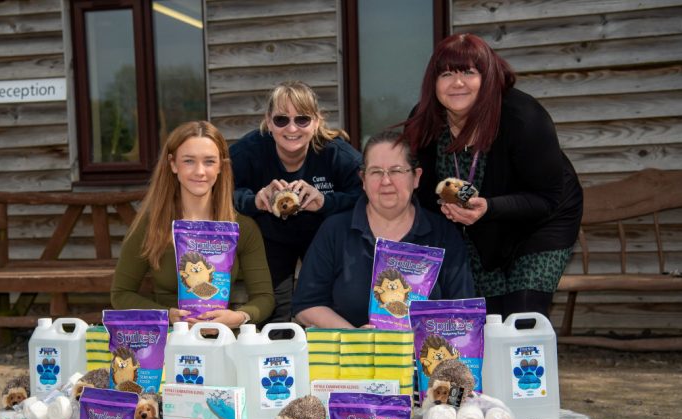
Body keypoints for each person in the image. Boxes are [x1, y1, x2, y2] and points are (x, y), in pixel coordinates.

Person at [404, 33, 583, 319]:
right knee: (488, 319)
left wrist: (489, 208)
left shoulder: (524, 117)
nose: (457, 82)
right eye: (446, 73)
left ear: (487, 77)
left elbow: (547, 198)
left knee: (523, 317)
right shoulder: (424, 120)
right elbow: (423, 191)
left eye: (468, 72)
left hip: (542, 220)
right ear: (433, 83)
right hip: (478, 227)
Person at [291, 131, 474, 329]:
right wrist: (355, 337)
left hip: (426, 356)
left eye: (396, 171)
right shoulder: (335, 231)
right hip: (352, 357)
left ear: (416, 177)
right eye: (376, 172)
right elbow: (306, 304)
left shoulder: (443, 234)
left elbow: (461, 308)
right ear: (363, 179)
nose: (386, 181)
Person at [111, 121, 275, 328]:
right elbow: (121, 294)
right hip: (168, 341)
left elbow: (264, 298)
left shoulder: (242, 228)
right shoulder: (151, 225)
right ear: (173, 164)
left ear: (221, 167)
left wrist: (239, 317)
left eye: (209, 161)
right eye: (189, 161)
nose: (199, 171)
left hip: (221, 340)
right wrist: (166, 316)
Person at [230, 81, 363, 322]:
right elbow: (222, 190)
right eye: (282, 119)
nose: (292, 128)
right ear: (269, 122)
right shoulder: (249, 151)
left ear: (316, 122)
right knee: (273, 310)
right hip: (270, 235)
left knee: (328, 304)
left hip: (322, 235)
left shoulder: (335, 153)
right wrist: (254, 201)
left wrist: (326, 202)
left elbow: (366, 194)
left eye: (302, 119)